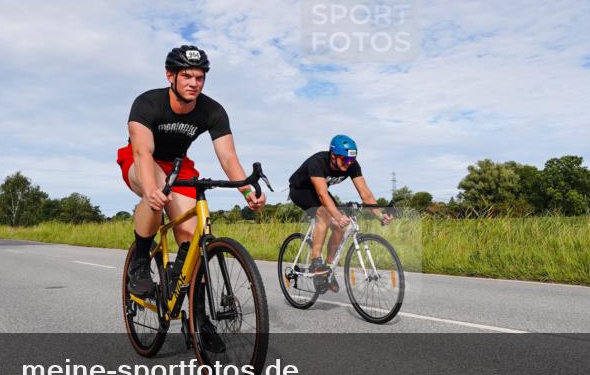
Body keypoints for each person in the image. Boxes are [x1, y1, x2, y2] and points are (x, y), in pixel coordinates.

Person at [118, 44, 266, 351]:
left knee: (192, 238)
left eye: (200, 77)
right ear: (170, 75)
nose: (193, 83)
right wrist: (152, 187)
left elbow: (228, 157)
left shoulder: (211, 110)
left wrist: (247, 191)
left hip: (178, 166)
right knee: (155, 187)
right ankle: (141, 261)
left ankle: (199, 317)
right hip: (140, 161)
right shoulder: (147, 103)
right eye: (186, 75)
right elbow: (142, 151)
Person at [287, 135, 391, 292]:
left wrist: (380, 215)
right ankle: (316, 262)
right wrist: (336, 215)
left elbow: (365, 193)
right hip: (300, 190)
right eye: (344, 160)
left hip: (320, 191)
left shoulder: (352, 165)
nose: (348, 164)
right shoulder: (318, 162)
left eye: (351, 161)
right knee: (324, 213)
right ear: (333, 155)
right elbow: (322, 195)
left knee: (341, 227)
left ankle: (327, 270)